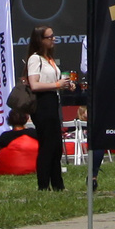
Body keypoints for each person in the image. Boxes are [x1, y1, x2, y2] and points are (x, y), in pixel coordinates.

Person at [24, 25, 74, 191]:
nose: (53, 39)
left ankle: (58, 184)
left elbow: (55, 83)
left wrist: (65, 85)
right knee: (47, 145)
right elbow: (34, 84)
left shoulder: (49, 59)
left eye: (53, 36)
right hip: (42, 104)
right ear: (40, 40)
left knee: (56, 146)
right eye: (49, 37)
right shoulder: (35, 59)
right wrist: (56, 84)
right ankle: (43, 184)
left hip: (53, 101)